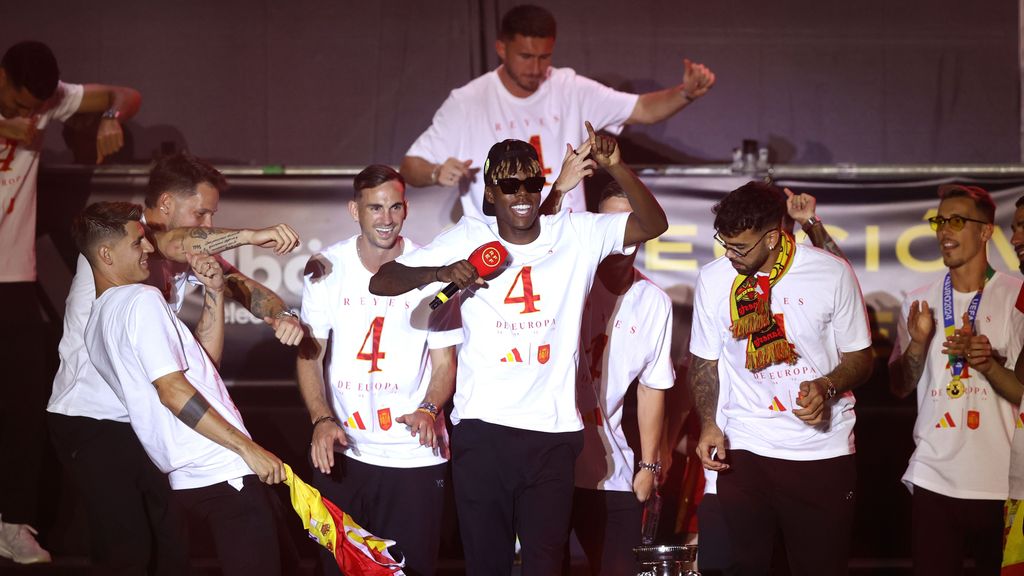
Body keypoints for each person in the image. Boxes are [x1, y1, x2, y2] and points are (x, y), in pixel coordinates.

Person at [370, 121, 669, 575]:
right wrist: (441, 272)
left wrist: (618, 167)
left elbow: (654, 223)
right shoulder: (468, 237)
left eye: (532, 182)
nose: (523, 193)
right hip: (483, 432)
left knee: (545, 565)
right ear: (491, 194)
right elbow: (383, 280)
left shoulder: (578, 233)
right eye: (510, 185)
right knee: (487, 565)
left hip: (552, 434)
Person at [47, 151, 300, 574]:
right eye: (201, 213)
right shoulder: (125, 246)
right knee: (127, 547)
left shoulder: (159, 258)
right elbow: (176, 241)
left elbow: (241, 286)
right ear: (165, 205)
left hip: (145, 419)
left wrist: (282, 316)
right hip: (91, 419)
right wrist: (254, 235)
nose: (207, 225)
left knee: (171, 547)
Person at [0, 40, 141, 564]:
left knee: (22, 411)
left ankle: (12, 524)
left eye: (35, 108)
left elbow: (127, 95)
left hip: (14, 279)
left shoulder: (48, 99)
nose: (26, 115)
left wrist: (108, 115)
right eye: (17, 103)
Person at [691, 181, 873, 576]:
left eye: (740, 247)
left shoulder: (830, 272)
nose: (730, 256)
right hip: (747, 446)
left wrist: (826, 386)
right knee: (748, 567)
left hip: (820, 452)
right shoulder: (714, 278)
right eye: (725, 243)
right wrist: (708, 422)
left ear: (773, 236)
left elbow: (862, 357)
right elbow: (704, 361)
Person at [400, 3, 715, 222]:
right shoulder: (468, 101)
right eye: (525, 56)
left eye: (544, 56)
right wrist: (435, 173)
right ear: (501, 49)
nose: (536, 68)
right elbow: (410, 164)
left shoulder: (569, 87)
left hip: (565, 240)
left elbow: (642, 109)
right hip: (496, 246)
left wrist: (685, 93)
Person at [295, 165, 461, 576]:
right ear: (355, 210)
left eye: (394, 207)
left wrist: (428, 408)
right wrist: (321, 419)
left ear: (406, 209)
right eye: (375, 208)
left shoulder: (432, 269)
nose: (386, 219)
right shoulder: (326, 268)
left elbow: (445, 362)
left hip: (413, 459)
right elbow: (309, 355)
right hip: (343, 453)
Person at [888, 184, 1023, 575]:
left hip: (1002, 480)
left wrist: (986, 362)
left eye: (957, 221)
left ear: (985, 232)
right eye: (940, 220)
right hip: (935, 474)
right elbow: (898, 386)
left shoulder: (1017, 297)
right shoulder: (919, 298)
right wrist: (917, 343)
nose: (945, 230)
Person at [571, 182, 675, 576]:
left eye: (628, 222)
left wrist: (648, 466)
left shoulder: (653, 302)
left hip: (611, 467)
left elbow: (652, 388)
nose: (619, 232)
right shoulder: (569, 283)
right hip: (552, 462)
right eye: (608, 221)